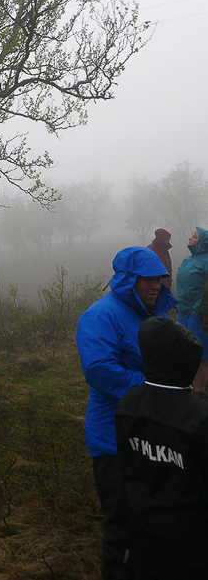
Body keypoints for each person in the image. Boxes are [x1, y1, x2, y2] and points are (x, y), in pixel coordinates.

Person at [76, 246, 176, 580]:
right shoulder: (101, 315)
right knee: (120, 521)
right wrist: (154, 388)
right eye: (148, 279)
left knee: (147, 515)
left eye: (160, 279)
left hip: (147, 432)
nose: (156, 286)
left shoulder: (150, 313)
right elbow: (100, 370)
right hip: (112, 437)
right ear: (128, 279)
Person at [116, 317, 208, 580]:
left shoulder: (128, 405)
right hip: (193, 542)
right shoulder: (199, 416)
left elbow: (126, 468)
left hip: (144, 532)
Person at [176, 227, 208, 394]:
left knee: (202, 355)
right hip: (183, 311)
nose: (190, 238)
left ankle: (201, 392)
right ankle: (195, 391)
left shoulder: (206, 261)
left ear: (203, 242)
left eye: (194, 237)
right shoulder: (187, 260)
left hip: (198, 314)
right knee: (188, 352)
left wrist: (197, 310)